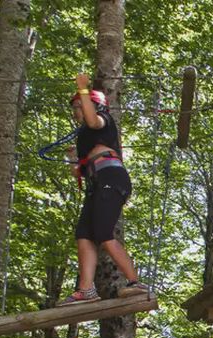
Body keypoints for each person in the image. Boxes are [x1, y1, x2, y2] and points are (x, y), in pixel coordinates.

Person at [58, 73, 149, 306]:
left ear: (95, 104)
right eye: (75, 107)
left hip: (112, 178)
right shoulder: (84, 138)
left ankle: (135, 282)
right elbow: (78, 172)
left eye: (79, 106)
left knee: (103, 233)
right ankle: (86, 290)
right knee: (83, 234)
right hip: (96, 184)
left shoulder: (103, 120)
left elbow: (91, 120)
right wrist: (72, 159)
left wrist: (83, 89)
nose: (76, 112)